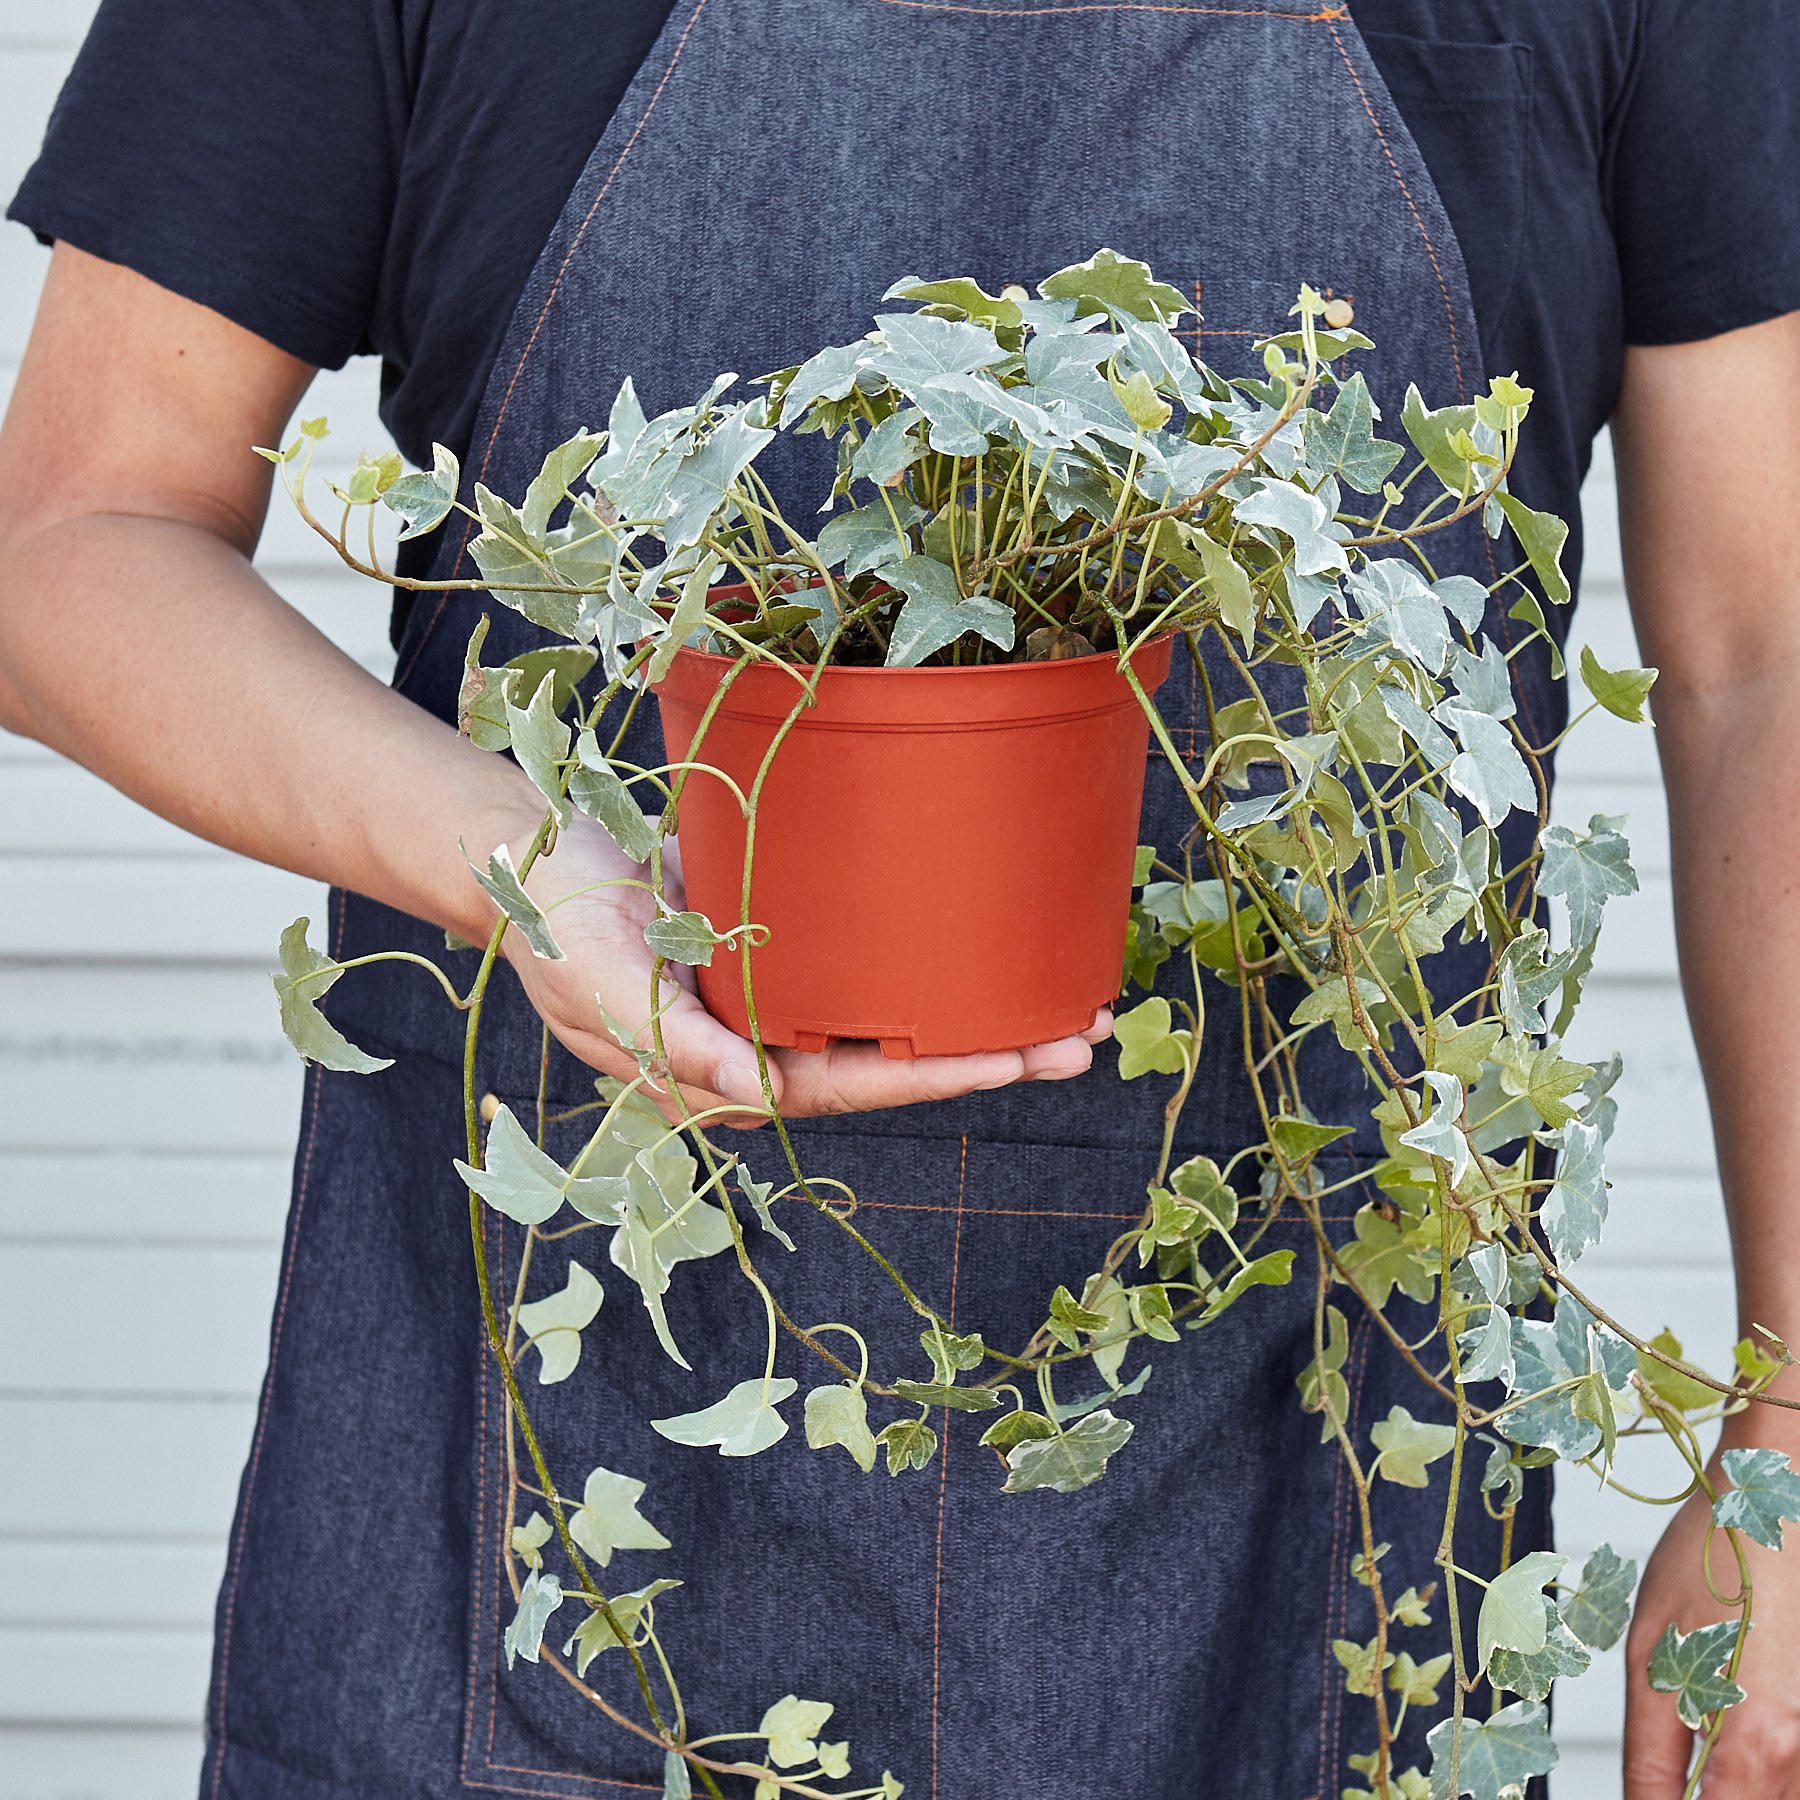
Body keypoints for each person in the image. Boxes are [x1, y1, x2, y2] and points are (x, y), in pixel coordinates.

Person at [2, 3, 1797, 1795]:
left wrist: (1792, 1434)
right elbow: (74, 540)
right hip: (540, 1524)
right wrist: (526, 869)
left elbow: (1762, 656)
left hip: (1312, 1538)